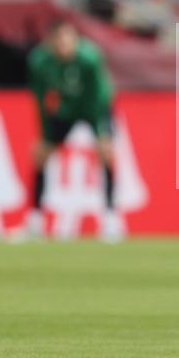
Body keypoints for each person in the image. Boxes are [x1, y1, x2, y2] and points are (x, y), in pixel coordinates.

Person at [24, 19, 122, 242]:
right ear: (50, 42)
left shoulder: (89, 59)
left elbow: (97, 96)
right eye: (59, 40)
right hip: (66, 108)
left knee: (105, 153)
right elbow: (40, 99)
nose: (64, 45)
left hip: (94, 107)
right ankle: (35, 221)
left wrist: (101, 132)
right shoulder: (39, 62)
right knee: (40, 154)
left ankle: (110, 220)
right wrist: (44, 133)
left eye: (69, 39)